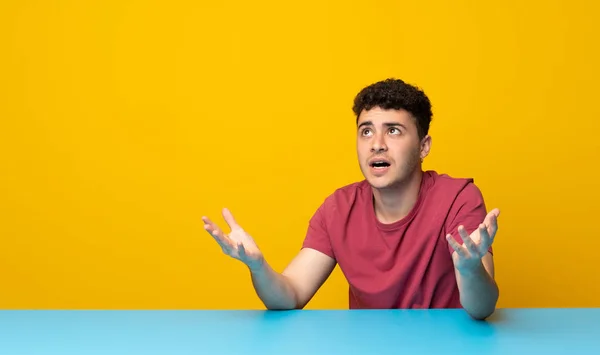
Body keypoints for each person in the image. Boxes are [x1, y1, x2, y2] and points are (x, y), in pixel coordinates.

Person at [202, 78, 500, 320]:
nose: (377, 145)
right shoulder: (338, 209)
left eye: (393, 131)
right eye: (366, 132)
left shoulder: (459, 198)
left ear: (423, 147)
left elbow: (482, 307)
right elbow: (290, 295)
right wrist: (258, 267)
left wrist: (469, 268)